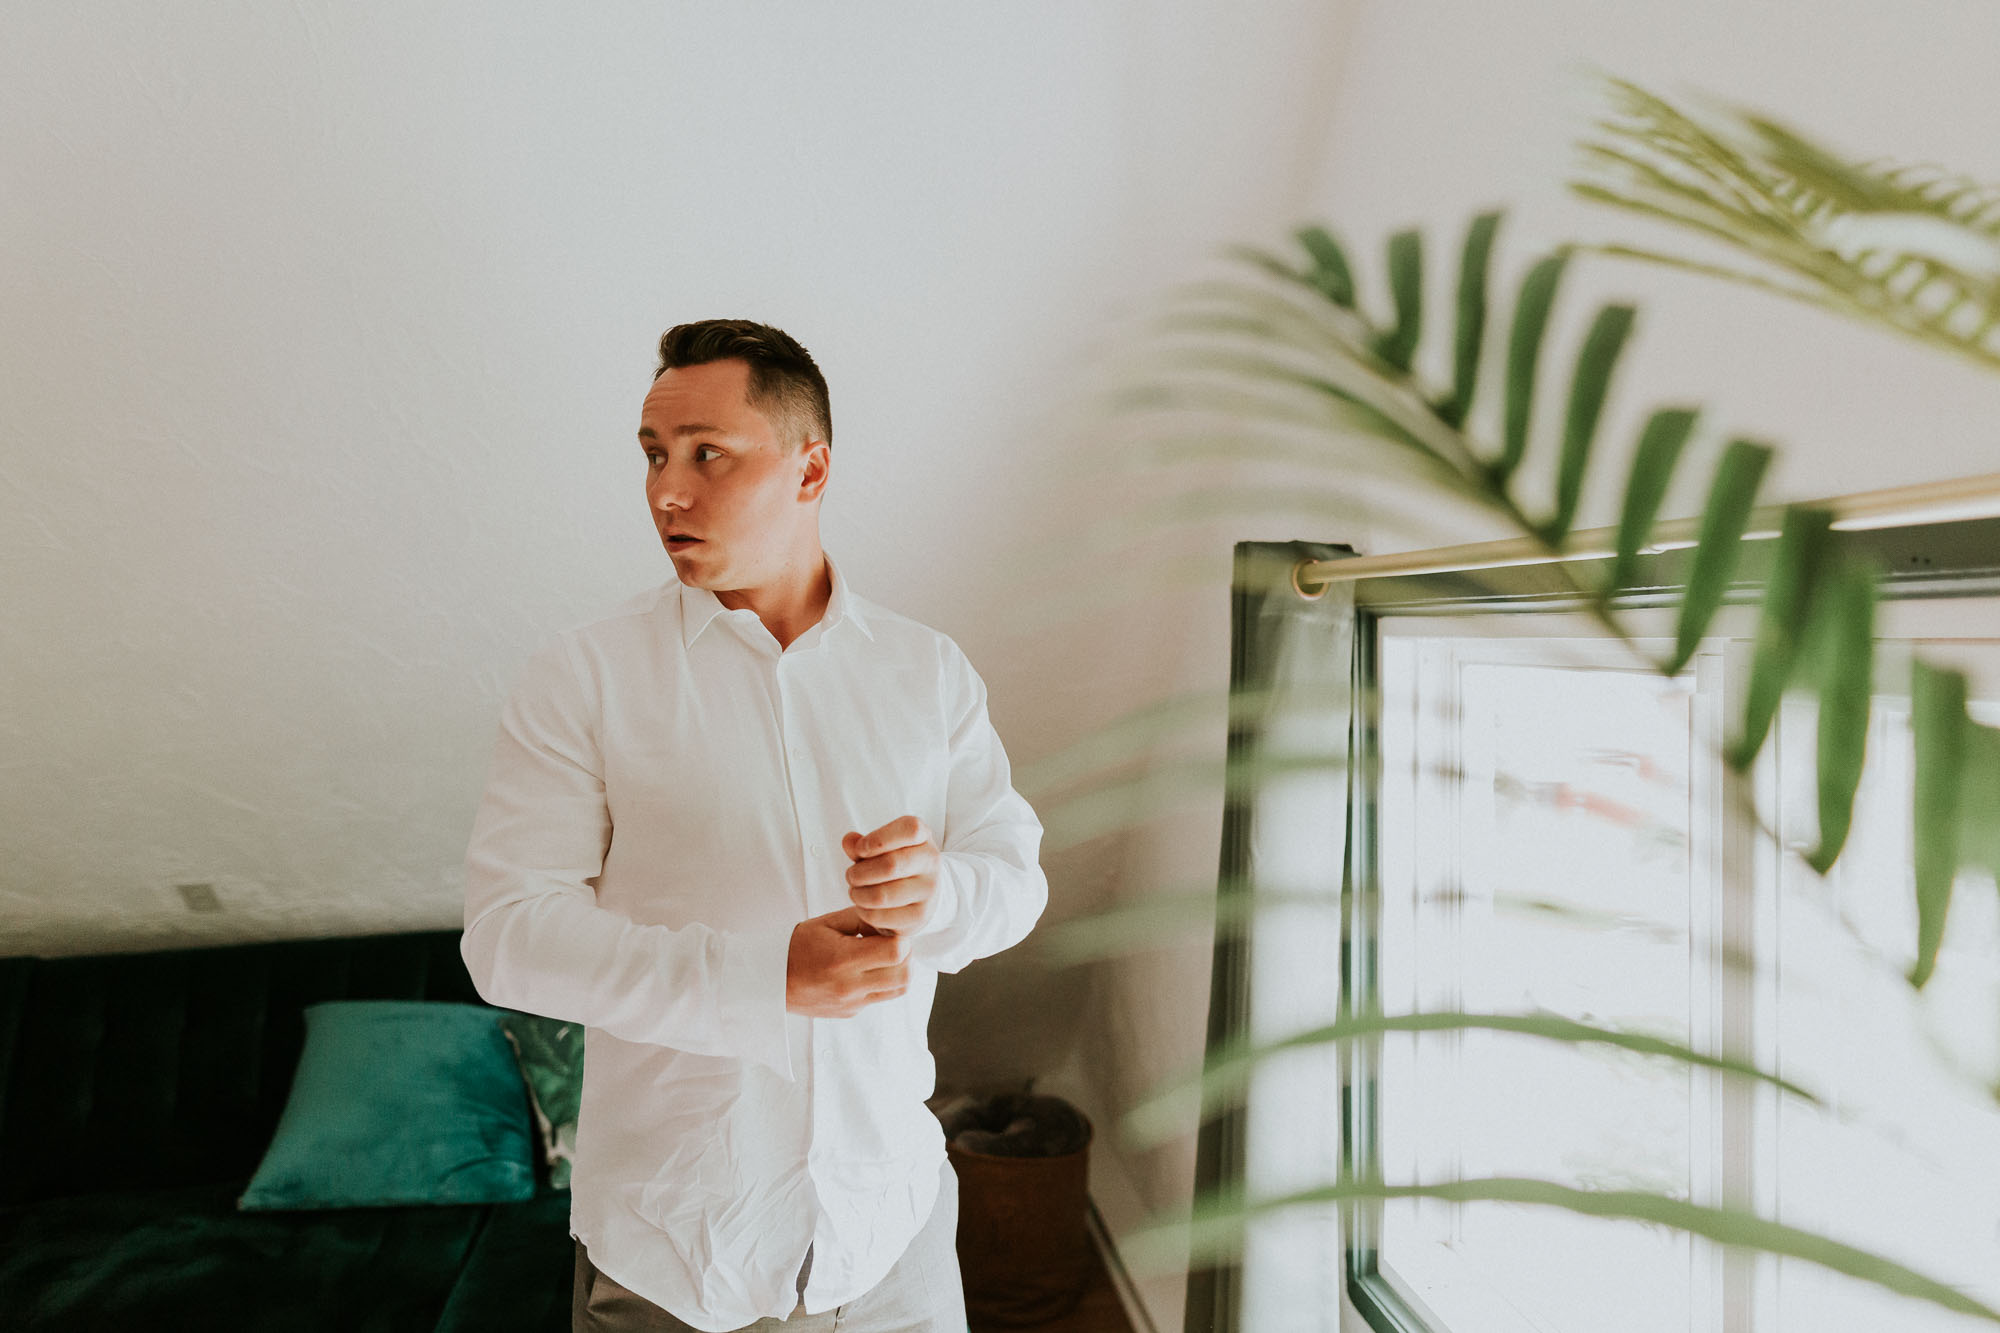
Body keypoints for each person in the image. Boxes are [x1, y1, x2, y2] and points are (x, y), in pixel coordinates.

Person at [460, 318, 1049, 1332]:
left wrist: (938, 893)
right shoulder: (584, 676)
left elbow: (1015, 879)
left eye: (707, 454)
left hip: (893, 1238)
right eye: (654, 455)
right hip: (679, 1257)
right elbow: (508, 939)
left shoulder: (927, 671)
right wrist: (764, 978)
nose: (666, 491)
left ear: (809, 468)